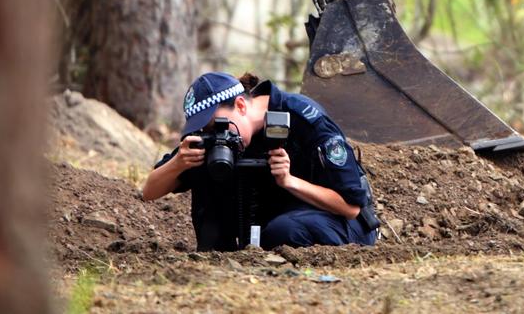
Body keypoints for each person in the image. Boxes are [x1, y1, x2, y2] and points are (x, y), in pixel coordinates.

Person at [142, 72, 380, 251]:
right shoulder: (216, 136)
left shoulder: (304, 119)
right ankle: (217, 253)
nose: (215, 134)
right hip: (273, 223)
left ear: (241, 105)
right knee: (209, 164)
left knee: (283, 231)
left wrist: (289, 181)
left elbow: (350, 207)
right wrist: (179, 163)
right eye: (205, 129)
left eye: (218, 126)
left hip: (339, 222)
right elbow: (150, 191)